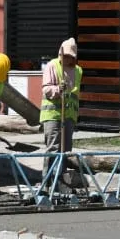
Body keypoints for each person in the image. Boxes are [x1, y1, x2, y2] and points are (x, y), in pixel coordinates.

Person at [40, 38, 83, 172]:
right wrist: (58, 89)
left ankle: (62, 178)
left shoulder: (78, 70)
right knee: (53, 148)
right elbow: (46, 90)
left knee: (66, 150)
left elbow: (75, 93)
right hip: (53, 115)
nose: (67, 59)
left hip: (69, 116)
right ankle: (47, 182)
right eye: (65, 56)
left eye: (70, 57)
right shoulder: (52, 66)